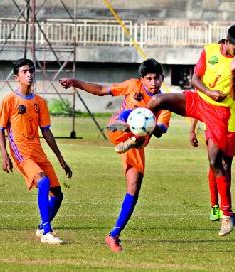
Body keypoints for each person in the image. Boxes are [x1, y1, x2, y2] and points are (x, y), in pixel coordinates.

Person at [147, 25, 235, 236]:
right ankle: (142, 135)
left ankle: (226, 215)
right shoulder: (210, 50)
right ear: (227, 42)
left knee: (216, 162)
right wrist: (209, 92)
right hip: (199, 101)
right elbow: (195, 79)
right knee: (156, 101)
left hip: (219, 114)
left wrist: (232, 71)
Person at [59, 58, 171, 252]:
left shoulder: (164, 102)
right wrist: (77, 83)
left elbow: (162, 128)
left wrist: (152, 127)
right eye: (149, 79)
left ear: (162, 78)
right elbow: (102, 90)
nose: (153, 83)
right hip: (117, 130)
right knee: (134, 114)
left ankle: (114, 235)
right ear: (142, 79)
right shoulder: (132, 85)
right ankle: (129, 126)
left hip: (136, 144)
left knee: (134, 189)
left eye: (157, 79)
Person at [0, 58, 72, 245]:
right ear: (17, 77)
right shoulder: (9, 100)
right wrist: (5, 155)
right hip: (20, 152)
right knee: (43, 182)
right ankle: (47, 231)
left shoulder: (40, 102)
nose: (29, 74)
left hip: (37, 151)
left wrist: (61, 159)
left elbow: (46, 131)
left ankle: (41, 227)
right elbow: (0, 129)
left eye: (31, 71)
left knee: (57, 194)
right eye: (24, 71)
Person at [189, 91, 235, 221]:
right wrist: (192, 129)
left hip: (231, 129)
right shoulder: (211, 78)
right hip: (213, 127)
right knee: (215, 164)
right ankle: (215, 206)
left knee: (226, 167)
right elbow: (199, 104)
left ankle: (226, 209)